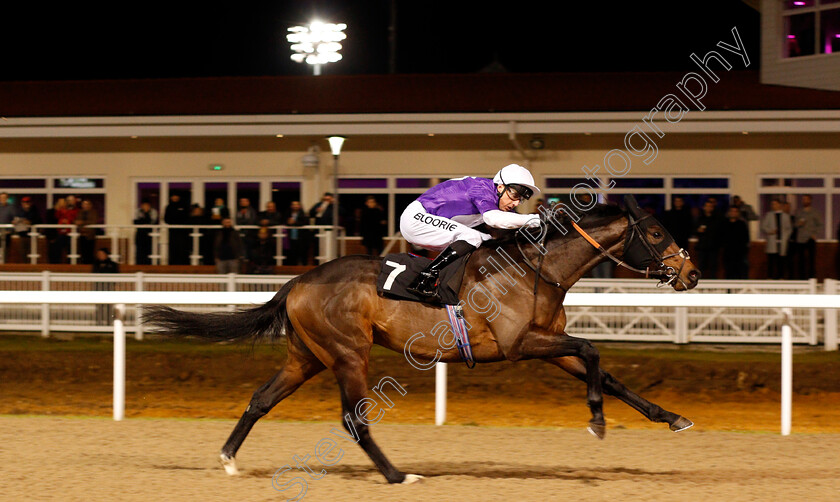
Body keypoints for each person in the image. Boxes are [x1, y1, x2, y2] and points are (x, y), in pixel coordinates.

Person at [399, 163, 541, 298]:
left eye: (521, 200)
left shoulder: (494, 198)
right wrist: (536, 220)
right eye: (515, 196)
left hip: (424, 220)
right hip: (416, 219)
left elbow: (509, 223)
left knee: (486, 240)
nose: (516, 203)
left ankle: (451, 283)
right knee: (472, 237)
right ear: (500, 187)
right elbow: (494, 220)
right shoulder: (481, 188)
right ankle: (425, 279)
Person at [761, 199, 792, 280]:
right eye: (772, 204)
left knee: (781, 261)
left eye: (775, 204)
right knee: (771, 260)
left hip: (782, 241)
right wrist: (770, 231)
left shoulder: (786, 216)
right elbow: (764, 226)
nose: (773, 206)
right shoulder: (769, 215)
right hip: (772, 240)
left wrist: (785, 237)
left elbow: (789, 229)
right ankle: (770, 277)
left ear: (779, 205)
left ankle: (780, 277)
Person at [693, 199, 723, 280]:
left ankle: (714, 283)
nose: (709, 208)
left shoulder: (717, 219)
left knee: (713, 267)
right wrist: (698, 230)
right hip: (702, 247)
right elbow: (693, 230)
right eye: (707, 206)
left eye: (710, 206)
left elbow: (720, 232)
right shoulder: (700, 218)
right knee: (701, 266)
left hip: (713, 247)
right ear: (704, 207)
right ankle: (700, 282)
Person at [793, 194, 822, 279]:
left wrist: (815, 234)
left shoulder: (815, 212)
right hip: (800, 239)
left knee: (811, 259)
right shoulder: (798, 212)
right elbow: (794, 225)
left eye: (806, 199)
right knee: (800, 260)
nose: (804, 201)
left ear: (810, 200)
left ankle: (811, 277)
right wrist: (799, 224)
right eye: (803, 199)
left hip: (810, 238)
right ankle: (801, 278)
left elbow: (820, 225)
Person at [720, 206, 750, 279]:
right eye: (732, 211)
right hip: (728, 252)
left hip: (740, 253)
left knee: (740, 272)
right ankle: (729, 289)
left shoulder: (742, 224)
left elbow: (746, 238)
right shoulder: (724, 224)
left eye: (735, 211)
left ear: (738, 213)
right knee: (728, 271)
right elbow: (720, 237)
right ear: (729, 213)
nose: (733, 213)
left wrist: (744, 250)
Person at [92, 248, 119, 325]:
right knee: (99, 306)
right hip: (98, 287)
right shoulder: (96, 264)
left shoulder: (113, 264)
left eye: (102, 254)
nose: (100, 256)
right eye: (99, 254)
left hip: (109, 287)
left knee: (109, 307)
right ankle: (99, 322)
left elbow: (116, 275)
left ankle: (109, 322)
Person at [164, 194, 190, 265]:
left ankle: (184, 263)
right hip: (173, 231)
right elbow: (166, 219)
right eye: (173, 196)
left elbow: (186, 217)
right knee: (173, 248)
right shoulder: (169, 207)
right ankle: (172, 263)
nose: (175, 197)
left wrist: (179, 221)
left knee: (183, 248)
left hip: (183, 232)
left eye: (176, 196)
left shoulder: (184, 206)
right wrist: (174, 221)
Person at [14, 196, 41, 262]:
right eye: (24, 202)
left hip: (32, 235)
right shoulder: (19, 211)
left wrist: (28, 221)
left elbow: (36, 221)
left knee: (32, 250)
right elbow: (16, 219)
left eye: (27, 202)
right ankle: (24, 264)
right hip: (22, 234)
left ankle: (32, 265)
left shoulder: (34, 211)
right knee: (23, 251)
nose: (26, 204)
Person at [133, 199, 158, 265]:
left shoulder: (153, 211)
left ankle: (149, 264)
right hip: (140, 233)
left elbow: (153, 222)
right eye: (144, 205)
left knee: (149, 249)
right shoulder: (138, 211)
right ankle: (139, 264)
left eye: (147, 205)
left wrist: (146, 215)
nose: (145, 207)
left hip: (149, 234)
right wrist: (144, 220)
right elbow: (135, 222)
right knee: (139, 250)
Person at [75, 199, 99, 264]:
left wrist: (82, 222)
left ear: (90, 205)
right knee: (82, 252)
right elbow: (77, 222)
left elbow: (93, 222)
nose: (85, 206)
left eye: (87, 204)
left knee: (90, 252)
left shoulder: (94, 212)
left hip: (90, 235)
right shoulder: (80, 212)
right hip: (82, 235)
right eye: (84, 204)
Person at [285, 200, 309, 265]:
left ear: (299, 206)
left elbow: (305, 222)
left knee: (302, 254)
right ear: (291, 206)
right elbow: (283, 222)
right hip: (291, 237)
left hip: (301, 238)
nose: (295, 206)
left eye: (296, 204)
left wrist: (295, 222)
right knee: (292, 254)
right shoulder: (288, 213)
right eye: (293, 204)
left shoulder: (303, 214)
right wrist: (288, 222)